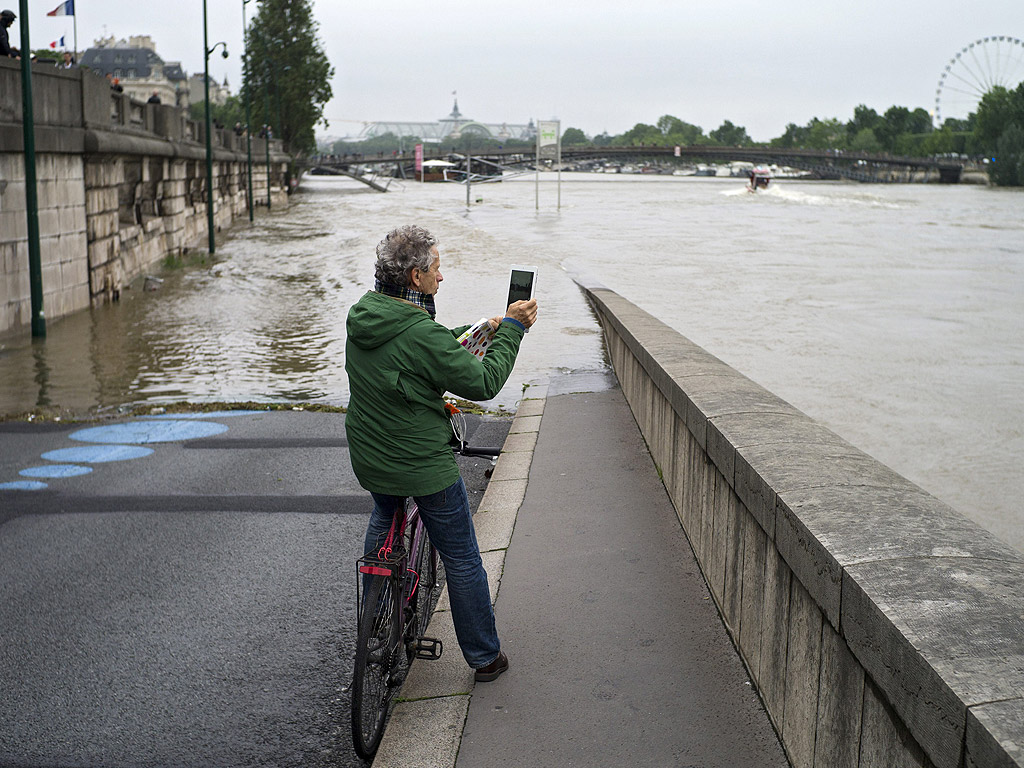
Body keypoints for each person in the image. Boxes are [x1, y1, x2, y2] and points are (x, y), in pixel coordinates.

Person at [345, 225, 538, 682]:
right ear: (415, 278)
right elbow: (484, 383)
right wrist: (512, 329)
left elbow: (423, 343)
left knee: (384, 513)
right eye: (436, 269)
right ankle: (485, 658)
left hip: (371, 455)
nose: (442, 277)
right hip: (421, 463)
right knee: (463, 557)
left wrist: (483, 328)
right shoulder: (419, 332)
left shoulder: (365, 314)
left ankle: (374, 615)